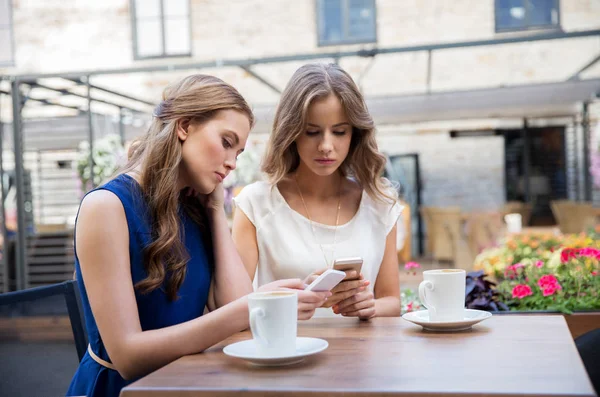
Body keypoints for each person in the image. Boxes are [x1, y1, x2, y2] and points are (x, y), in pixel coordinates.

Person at [66, 74, 330, 397]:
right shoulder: (106, 207)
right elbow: (128, 357)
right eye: (226, 142)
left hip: (187, 384)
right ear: (184, 126)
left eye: (240, 152)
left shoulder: (194, 208)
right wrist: (251, 306)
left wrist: (216, 211)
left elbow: (236, 310)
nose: (232, 163)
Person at [232, 63, 402, 320]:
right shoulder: (256, 204)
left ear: (354, 134)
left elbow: (392, 301)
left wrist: (371, 307)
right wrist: (296, 297)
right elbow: (231, 308)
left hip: (363, 357)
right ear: (291, 133)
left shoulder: (380, 204)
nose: (325, 146)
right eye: (312, 132)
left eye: (339, 132)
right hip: (286, 355)